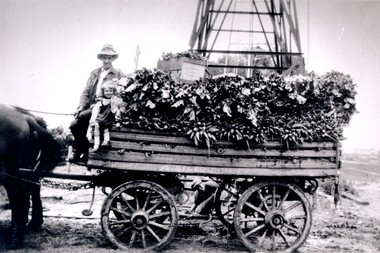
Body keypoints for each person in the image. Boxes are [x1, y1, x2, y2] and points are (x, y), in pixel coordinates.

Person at [69, 44, 124, 163]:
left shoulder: (118, 74)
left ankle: (77, 151)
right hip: (92, 107)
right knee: (73, 125)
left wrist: (105, 102)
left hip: (105, 108)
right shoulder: (95, 73)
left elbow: (120, 94)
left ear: (113, 59)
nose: (107, 60)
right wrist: (81, 106)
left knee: (84, 117)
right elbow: (86, 91)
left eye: (109, 58)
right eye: (104, 58)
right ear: (101, 59)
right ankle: (84, 149)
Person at [86, 80, 126, 152]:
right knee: (97, 124)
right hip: (102, 116)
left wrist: (118, 117)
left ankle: (106, 141)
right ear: (103, 92)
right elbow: (96, 111)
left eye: (111, 91)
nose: (109, 93)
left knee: (105, 125)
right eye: (106, 91)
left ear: (114, 91)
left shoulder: (115, 100)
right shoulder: (100, 101)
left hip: (110, 117)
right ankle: (96, 144)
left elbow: (120, 108)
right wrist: (92, 121)